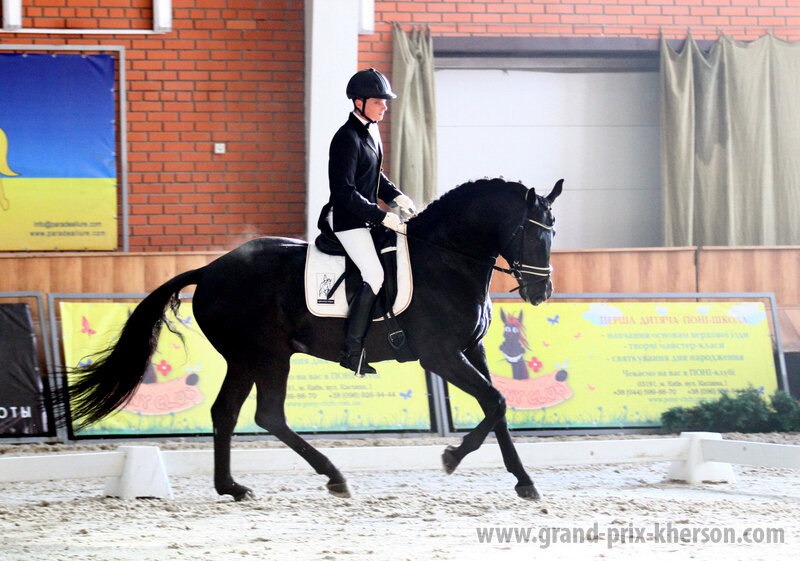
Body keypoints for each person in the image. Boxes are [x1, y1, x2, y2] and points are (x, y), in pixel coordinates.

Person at [317, 68, 416, 375]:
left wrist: (397, 197)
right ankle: (352, 352)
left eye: (384, 102)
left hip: (365, 219)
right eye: (378, 102)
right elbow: (344, 192)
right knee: (373, 274)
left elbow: (374, 178)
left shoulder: (369, 133)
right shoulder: (345, 138)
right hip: (347, 220)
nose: (384, 107)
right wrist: (381, 215)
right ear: (359, 102)